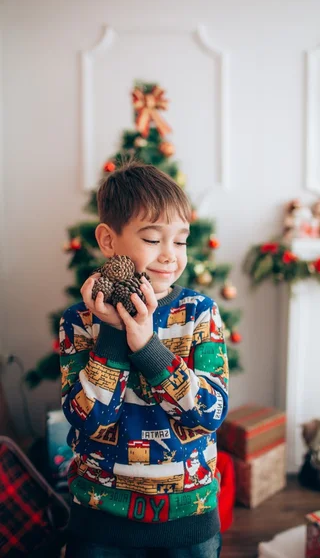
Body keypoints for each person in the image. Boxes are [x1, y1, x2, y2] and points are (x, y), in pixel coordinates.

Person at [60, 162, 229, 557]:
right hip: (100, 520)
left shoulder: (199, 314)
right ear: (108, 240)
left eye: (181, 241)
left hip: (189, 520)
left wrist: (150, 347)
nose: (170, 256)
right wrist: (116, 333)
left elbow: (209, 413)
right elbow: (88, 419)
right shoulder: (79, 321)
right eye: (153, 239)